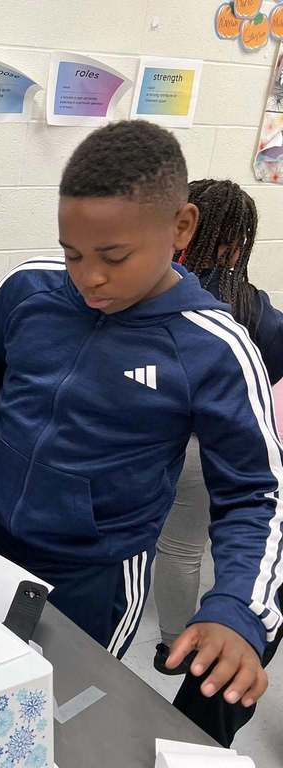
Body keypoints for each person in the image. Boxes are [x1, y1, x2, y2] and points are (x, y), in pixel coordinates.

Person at [0, 121, 280, 714]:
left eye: (114, 257)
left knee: (55, 717)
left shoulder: (213, 345)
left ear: (181, 228)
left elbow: (255, 495)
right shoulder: (29, 289)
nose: (89, 276)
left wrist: (237, 607)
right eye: (73, 254)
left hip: (93, 577)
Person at [151, 179, 283, 745]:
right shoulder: (257, 307)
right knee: (194, 546)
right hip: (217, 449)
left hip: (167, 444)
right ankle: (187, 644)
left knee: (170, 546)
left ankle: (172, 639)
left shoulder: (165, 288)